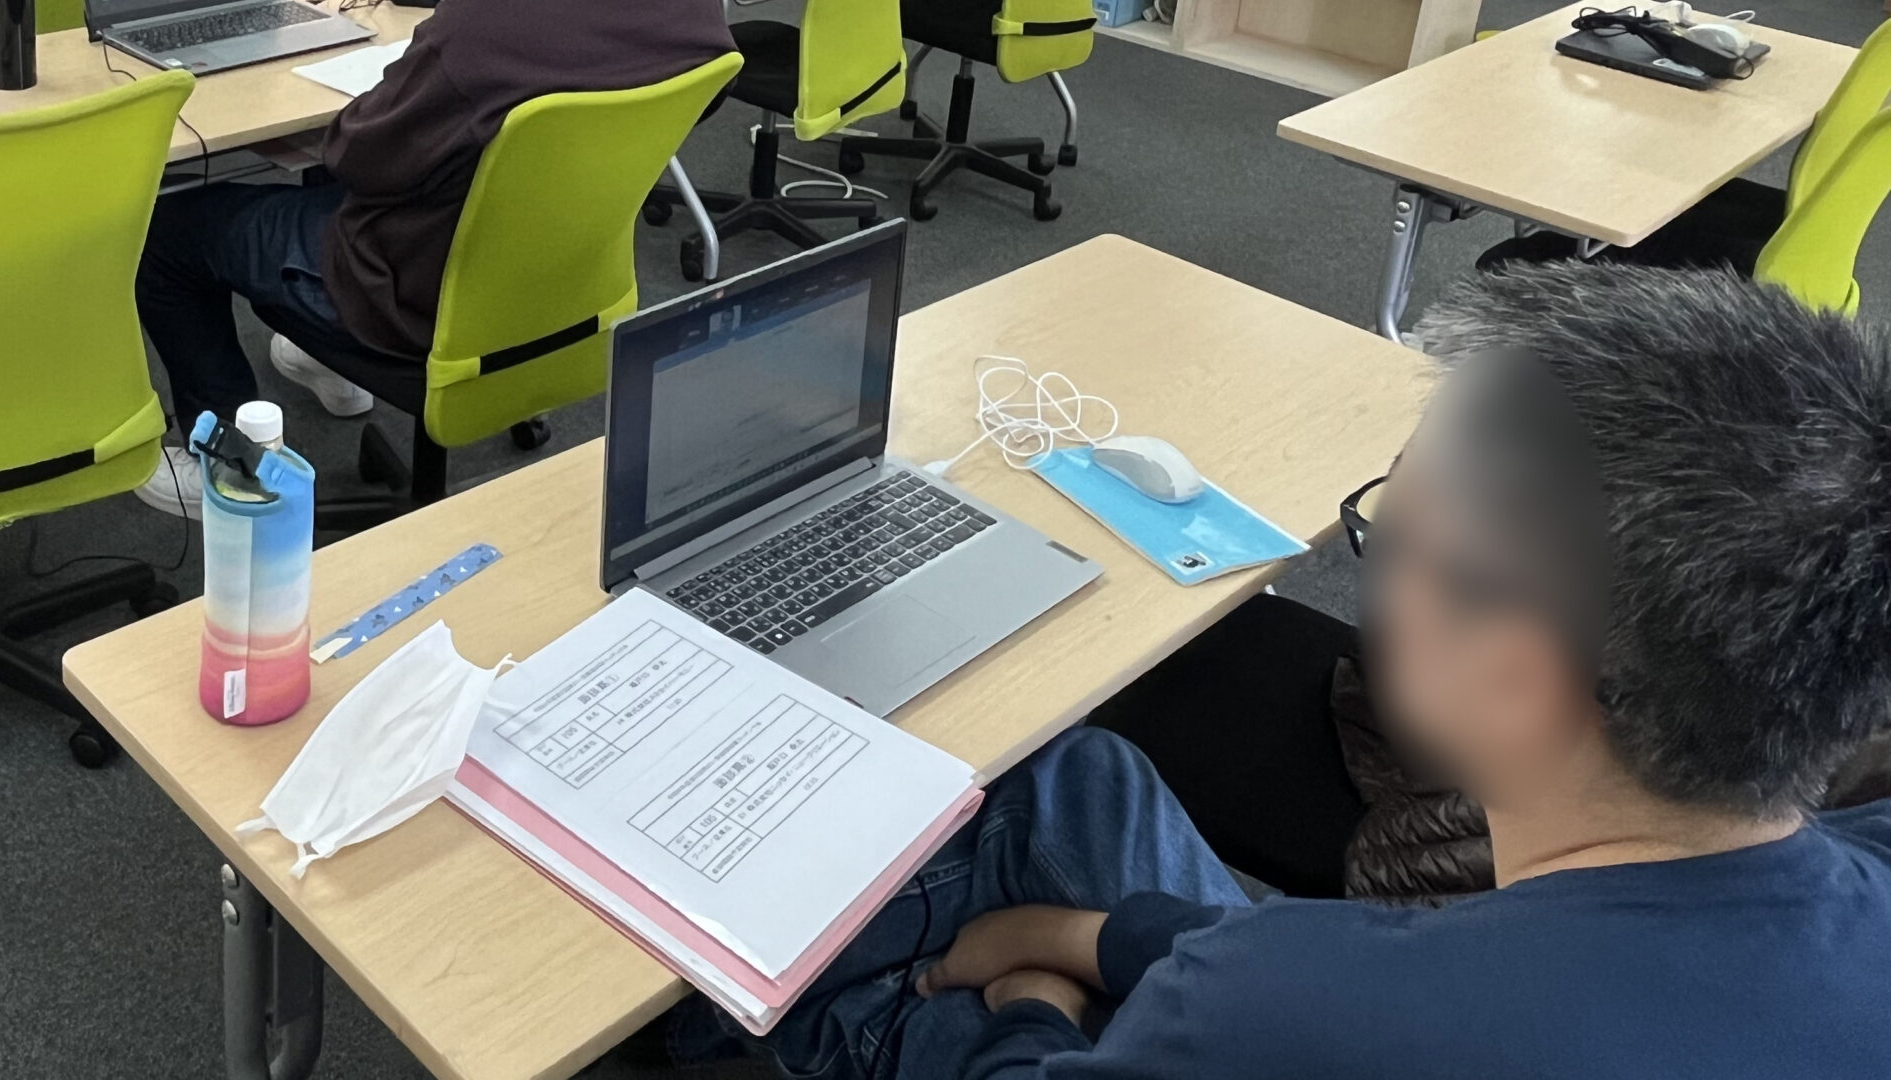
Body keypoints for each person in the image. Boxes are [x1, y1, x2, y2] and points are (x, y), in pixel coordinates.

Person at [700, 262, 1891, 1080]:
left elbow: (1272, 999)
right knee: (1080, 773)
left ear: (1515, 675)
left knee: (813, 988)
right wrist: (1082, 937)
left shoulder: (1283, 1011)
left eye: (1388, 536)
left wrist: (1035, 1004)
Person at [136, 0, 732, 433]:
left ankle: (230, 461)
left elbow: (357, 157)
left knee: (171, 233)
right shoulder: (694, 0)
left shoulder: (483, 32)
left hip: (412, 298)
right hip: (564, 277)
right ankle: (324, 366)